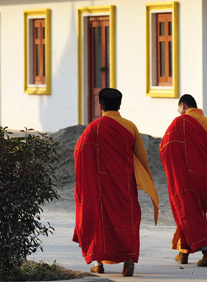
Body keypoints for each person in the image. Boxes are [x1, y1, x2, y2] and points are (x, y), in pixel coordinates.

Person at [73, 87, 159, 277]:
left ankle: (98, 262)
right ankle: (128, 259)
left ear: (100, 105)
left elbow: (79, 154)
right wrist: (146, 181)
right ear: (119, 105)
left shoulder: (92, 129)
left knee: (99, 220)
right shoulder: (130, 127)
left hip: (100, 187)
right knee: (127, 220)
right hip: (124, 185)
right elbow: (142, 159)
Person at [159, 93, 207, 267]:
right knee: (192, 211)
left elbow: (165, 146)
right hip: (204, 176)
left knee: (187, 211)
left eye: (179, 108)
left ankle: (206, 249)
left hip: (183, 176)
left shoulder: (177, 123)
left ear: (183, 105)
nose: (179, 112)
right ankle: (183, 252)